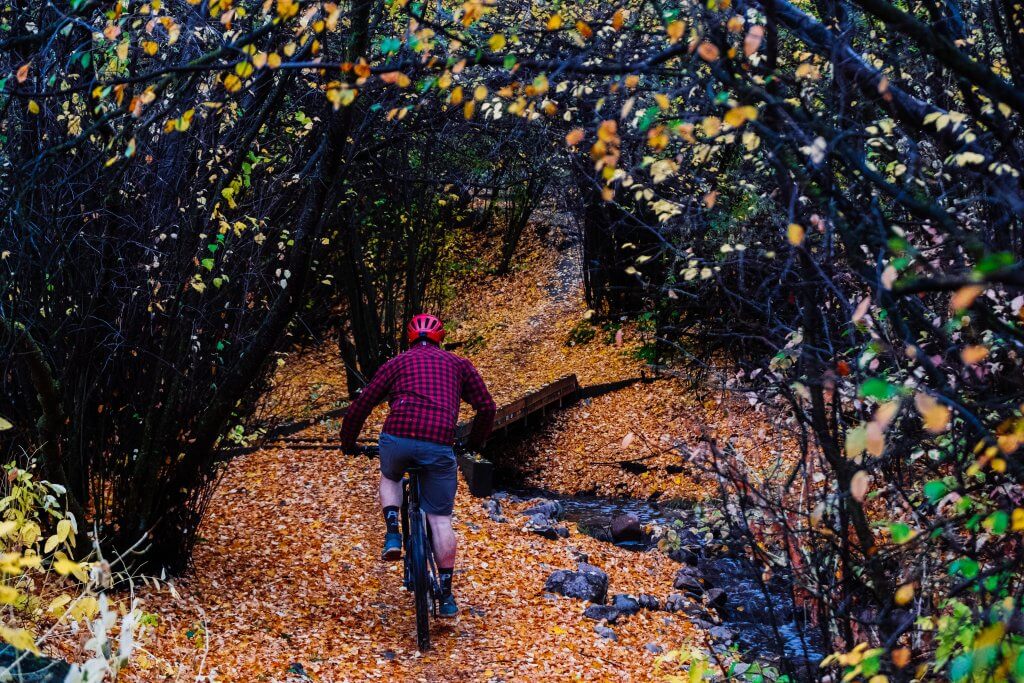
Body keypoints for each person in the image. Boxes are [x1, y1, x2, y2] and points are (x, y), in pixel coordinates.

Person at [340, 313, 496, 617]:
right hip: (438, 444)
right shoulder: (458, 364)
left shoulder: (397, 363)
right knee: (439, 519)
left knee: (391, 475)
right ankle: (448, 596)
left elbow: (363, 403)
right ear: (441, 337)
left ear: (410, 338)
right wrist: (475, 443)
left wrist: (348, 443)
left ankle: (393, 532)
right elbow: (486, 407)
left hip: (397, 438)